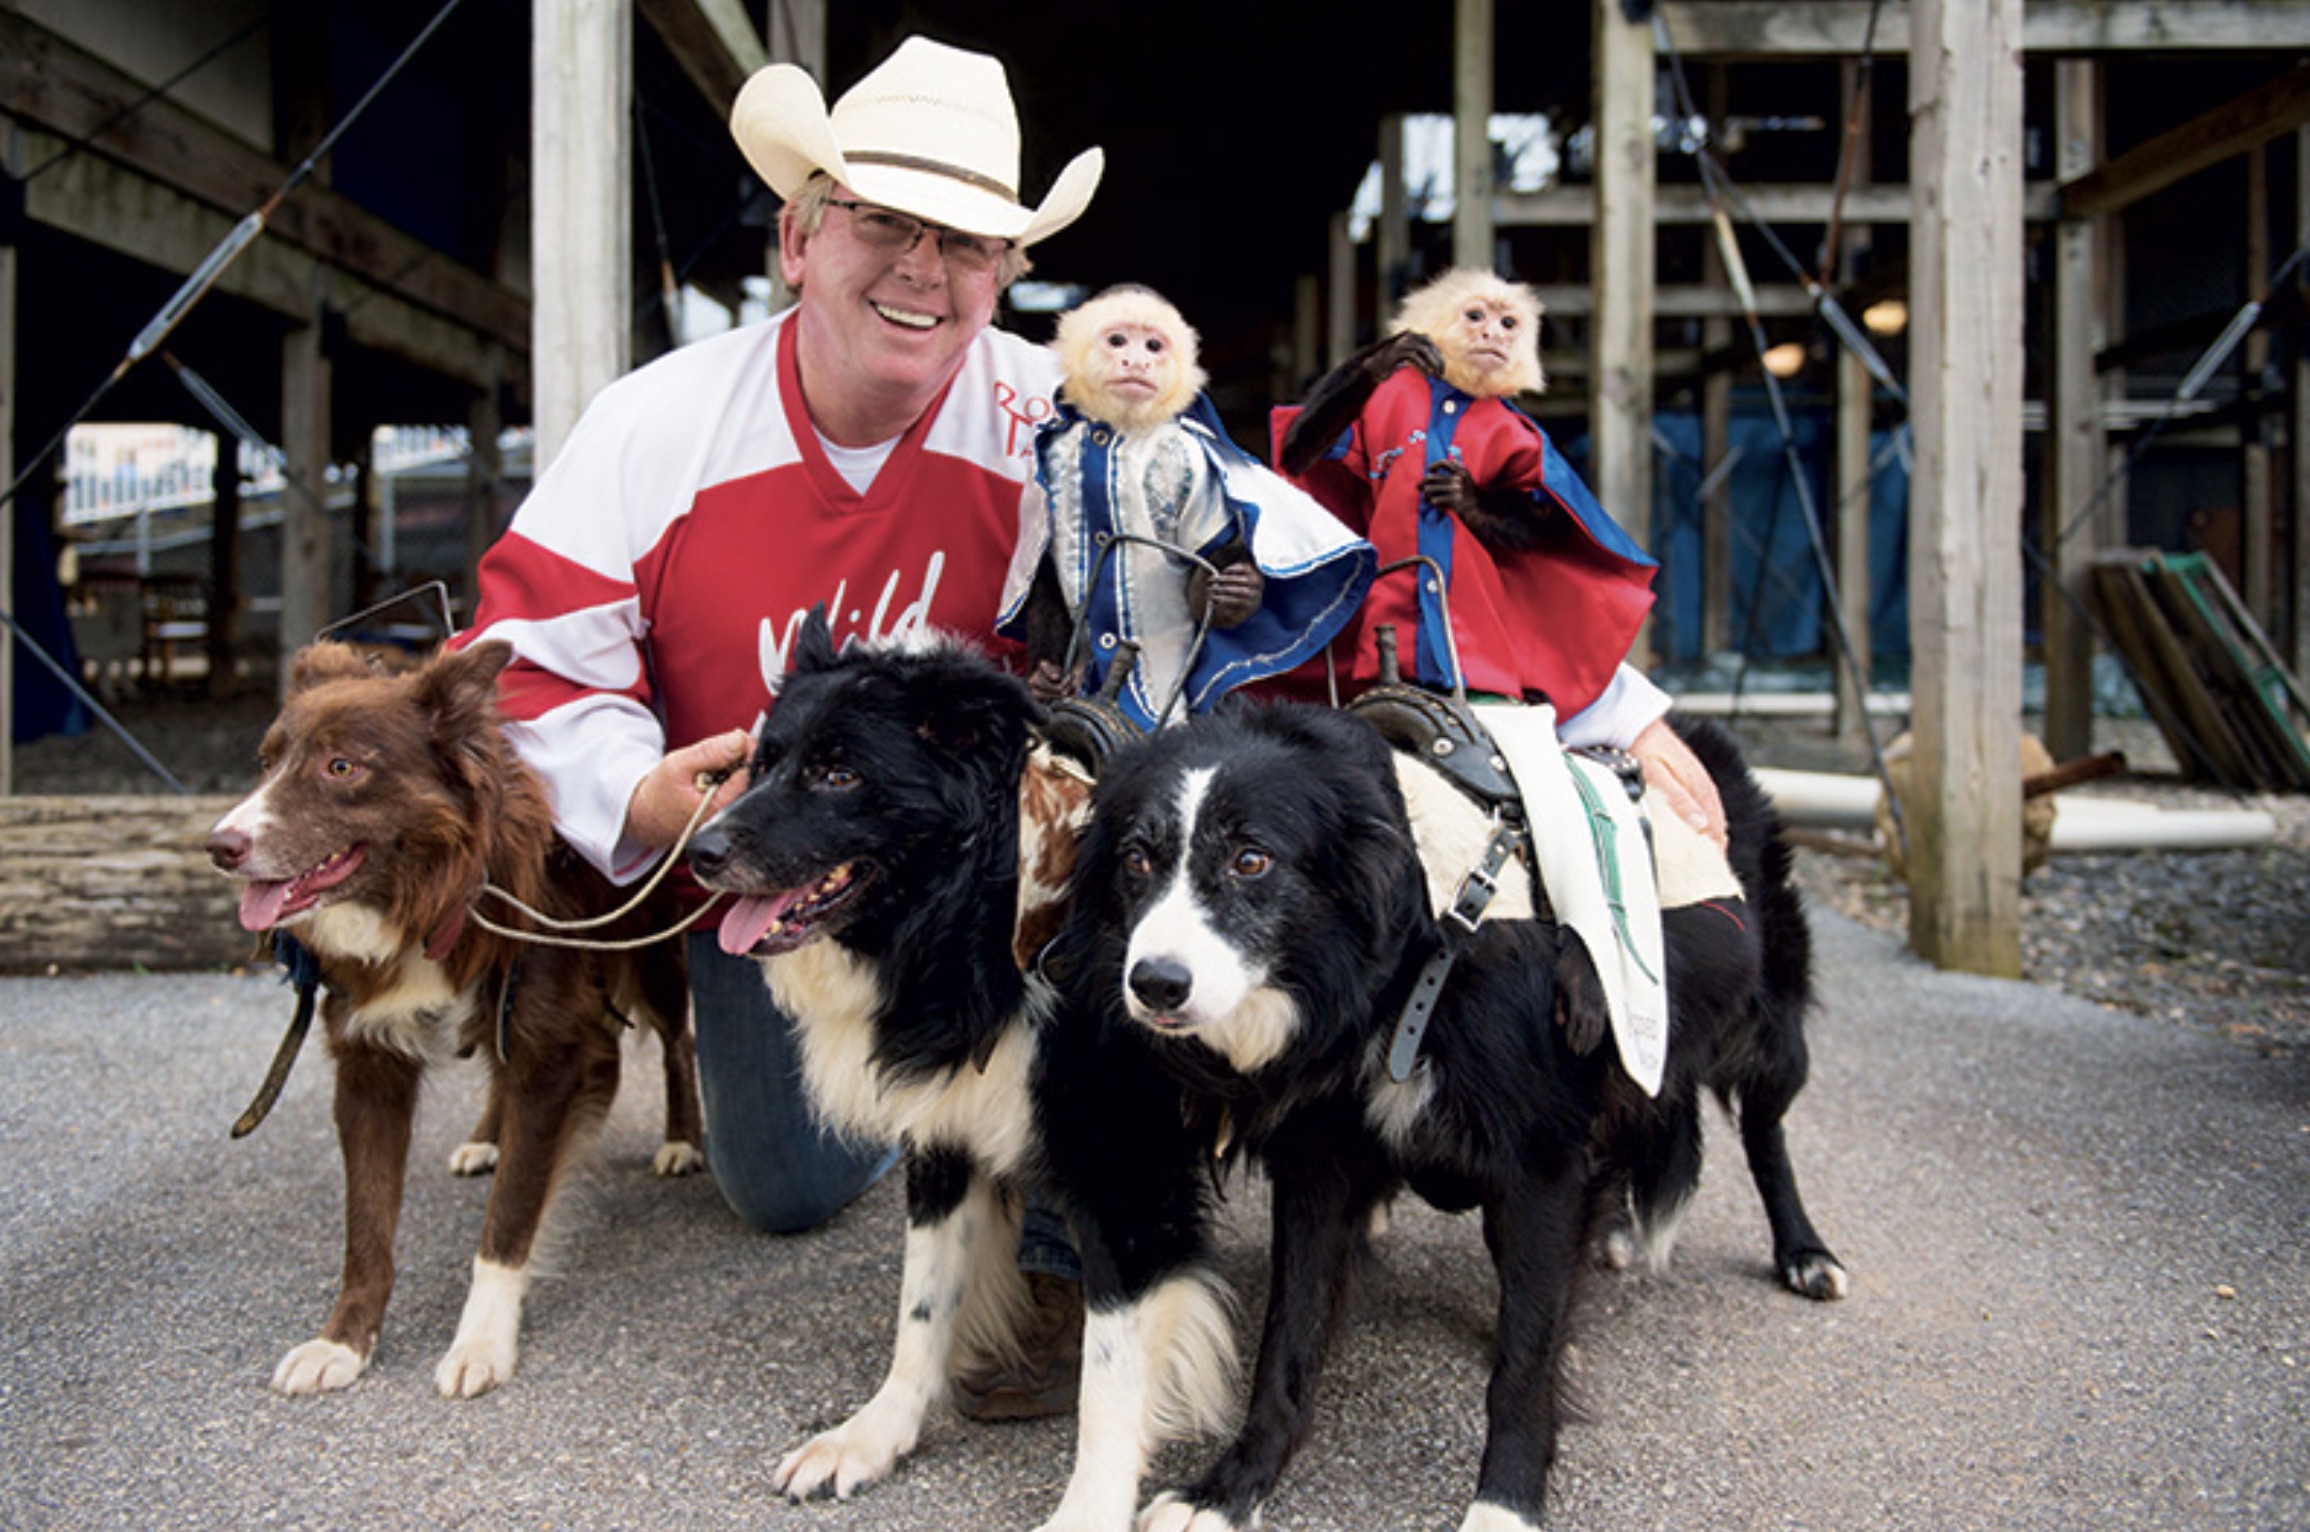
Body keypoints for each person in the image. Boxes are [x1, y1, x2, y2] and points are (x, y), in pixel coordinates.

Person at [457, 34, 1099, 1419]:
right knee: (785, 1186)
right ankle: (925, 1095)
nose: (924, 270)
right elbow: (516, 666)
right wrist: (637, 798)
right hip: (769, 868)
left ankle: (1061, 1220)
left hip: (1004, 890)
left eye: (969, 240)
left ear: (1006, 273)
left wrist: (1613, 710)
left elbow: (1275, 555)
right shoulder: (656, 422)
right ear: (799, 238)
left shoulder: (1057, 411)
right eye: (883, 221)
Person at [1277, 266, 1727, 843]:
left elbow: (1541, 525)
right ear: (1430, 322)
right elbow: (1300, 452)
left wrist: (1474, 506)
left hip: (1478, 658)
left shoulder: (1507, 429)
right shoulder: (1389, 398)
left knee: (1538, 810)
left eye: (1509, 323)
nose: (1494, 332)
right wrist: (1367, 369)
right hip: (1379, 645)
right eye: (1475, 317)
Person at [997, 283, 1374, 729]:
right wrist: (1046, 658)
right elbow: (1044, 576)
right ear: (1076, 354)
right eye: (1116, 341)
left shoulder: (1184, 454)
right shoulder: (1053, 452)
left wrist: (1233, 588)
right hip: (1078, 689)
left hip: (1168, 686)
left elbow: (1216, 554)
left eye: (1155, 347)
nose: (1136, 359)